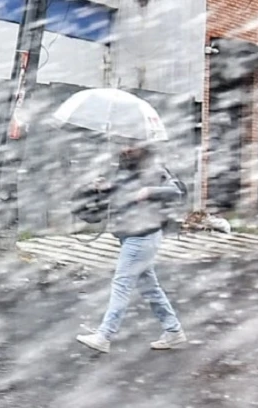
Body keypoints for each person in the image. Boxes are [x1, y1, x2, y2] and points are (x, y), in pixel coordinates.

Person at [75, 142, 186, 354]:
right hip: (130, 235)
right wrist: (105, 186)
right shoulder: (125, 169)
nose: (125, 149)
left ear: (143, 148)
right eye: (123, 145)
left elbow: (176, 191)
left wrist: (149, 191)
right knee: (150, 289)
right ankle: (174, 332)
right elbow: (122, 195)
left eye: (131, 146)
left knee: (122, 284)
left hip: (143, 236)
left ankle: (104, 335)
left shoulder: (154, 168)